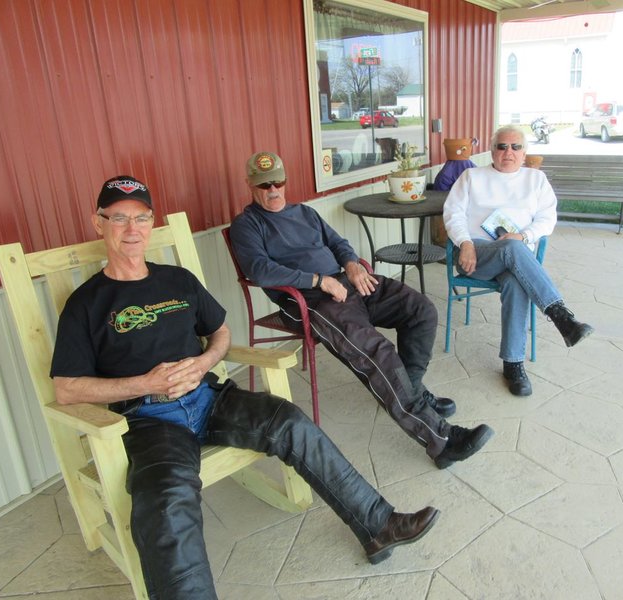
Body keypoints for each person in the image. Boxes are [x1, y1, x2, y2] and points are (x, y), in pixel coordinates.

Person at [49, 175, 440, 600]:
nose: (131, 230)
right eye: (119, 219)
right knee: (166, 500)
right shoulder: (86, 303)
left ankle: (378, 524)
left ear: (151, 222)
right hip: (148, 418)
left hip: (210, 399)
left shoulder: (177, 280)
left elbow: (219, 331)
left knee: (290, 422)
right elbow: (67, 388)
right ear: (98, 223)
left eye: (140, 218)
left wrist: (204, 361)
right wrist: (145, 382)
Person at [229, 151, 494, 469]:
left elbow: (338, 242)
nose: (273, 190)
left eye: (278, 182)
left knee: (421, 309)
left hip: (348, 283)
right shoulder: (247, 225)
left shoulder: (305, 213)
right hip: (311, 301)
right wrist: (319, 280)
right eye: (264, 184)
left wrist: (352, 265)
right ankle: (442, 440)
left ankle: (410, 393)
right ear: (249, 185)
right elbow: (260, 270)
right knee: (378, 352)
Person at [443, 126, 594, 397]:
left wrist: (525, 235)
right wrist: (465, 243)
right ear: (492, 151)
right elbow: (453, 214)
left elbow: (547, 219)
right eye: (501, 146)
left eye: (515, 147)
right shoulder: (471, 177)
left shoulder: (536, 180)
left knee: (516, 280)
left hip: (517, 256)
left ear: (524, 153)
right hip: (477, 255)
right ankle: (560, 316)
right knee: (512, 248)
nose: (508, 152)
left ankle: (513, 364)